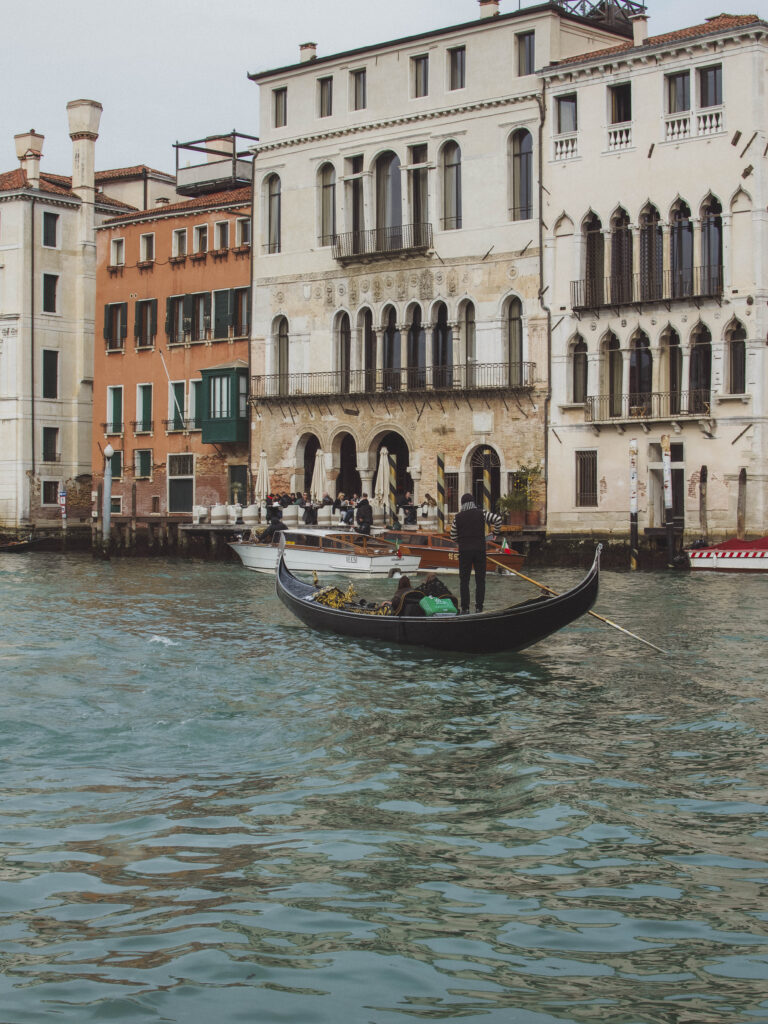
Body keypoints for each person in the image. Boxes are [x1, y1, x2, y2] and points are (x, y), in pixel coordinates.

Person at [450, 492, 503, 614]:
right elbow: (498, 519)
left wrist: (462, 540)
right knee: (480, 580)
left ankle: (465, 608)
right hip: (479, 550)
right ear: (473, 502)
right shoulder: (481, 513)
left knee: (464, 581)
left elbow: (452, 535)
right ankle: (479, 607)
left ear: (462, 504)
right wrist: (495, 533)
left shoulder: (458, 517)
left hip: (464, 551)